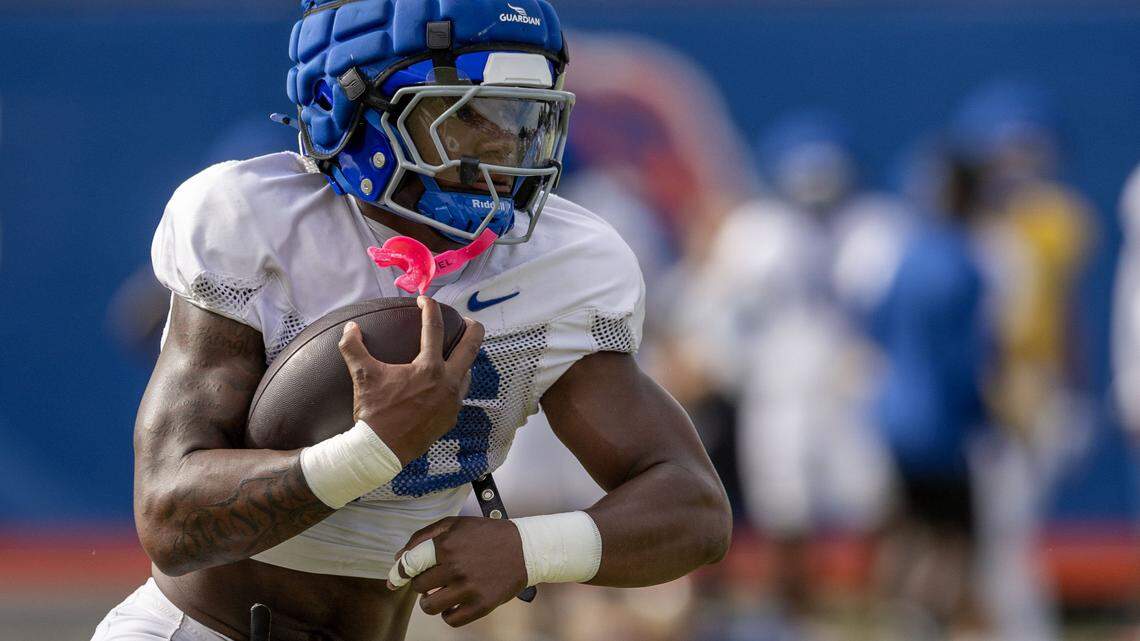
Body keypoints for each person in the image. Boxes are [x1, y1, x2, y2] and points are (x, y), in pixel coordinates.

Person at [90, 2, 731, 640]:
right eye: (471, 115)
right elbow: (170, 517)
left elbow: (694, 509)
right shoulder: (254, 220)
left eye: (523, 115)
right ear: (355, 109)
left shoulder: (564, 263)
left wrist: (528, 548)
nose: (506, 144)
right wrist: (374, 449)